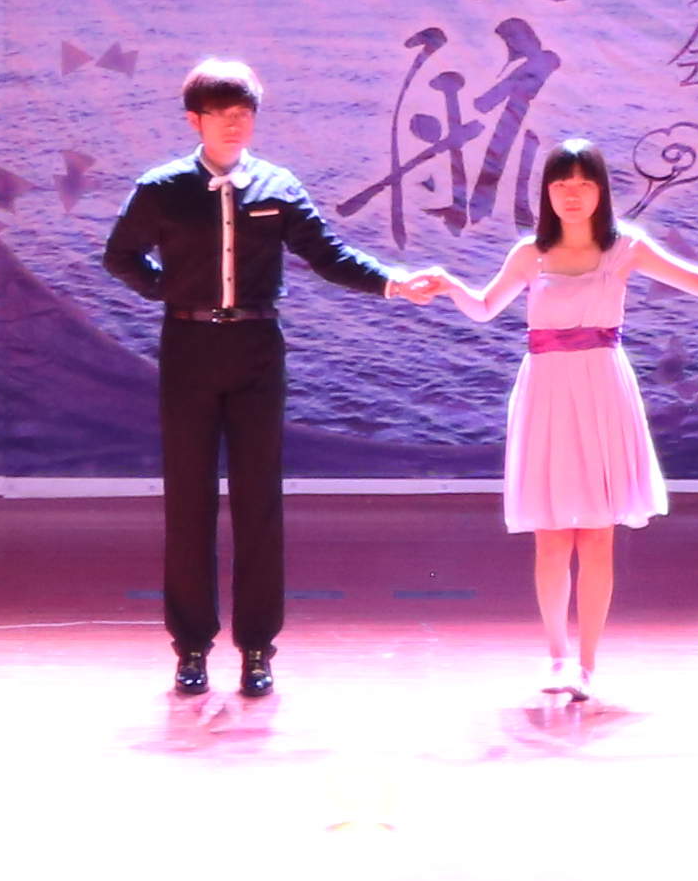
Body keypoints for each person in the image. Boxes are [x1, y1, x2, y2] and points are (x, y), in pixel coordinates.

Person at [426, 134, 698, 704]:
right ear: (547, 192)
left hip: (603, 391)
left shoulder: (625, 248)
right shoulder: (529, 254)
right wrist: (450, 286)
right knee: (551, 538)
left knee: (597, 537)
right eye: (562, 184)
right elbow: (486, 308)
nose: (572, 194)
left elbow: (697, 280)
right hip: (546, 393)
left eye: (584, 184)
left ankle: (587, 665)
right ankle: (557, 657)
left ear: (601, 191)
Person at [98, 60, 450, 701]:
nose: (234, 126)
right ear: (195, 121)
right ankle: (191, 647)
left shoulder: (277, 186)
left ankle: (257, 647)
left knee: (258, 501)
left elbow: (329, 255)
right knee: (189, 501)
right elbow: (119, 255)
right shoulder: (162, 188)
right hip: (189, 347)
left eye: (244, 114)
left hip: (257, 349)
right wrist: (168, 289)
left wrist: (395, 284)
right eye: (221, 115)